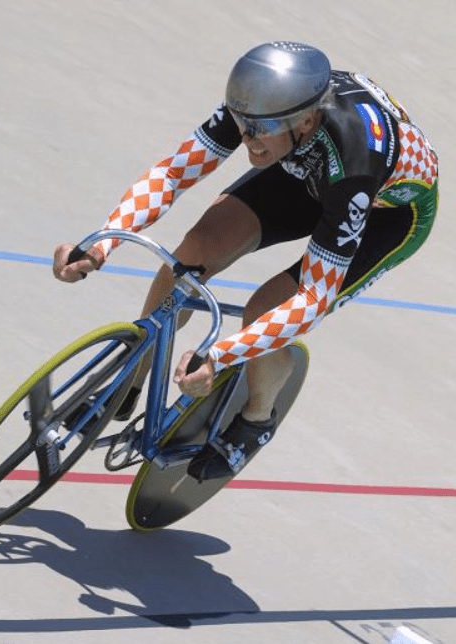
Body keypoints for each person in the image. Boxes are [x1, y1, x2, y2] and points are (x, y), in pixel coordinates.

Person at [53, 41, 438, 481]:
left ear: (306, 120)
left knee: (265, 308)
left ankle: (257, 419)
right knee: (195, 251)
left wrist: (218, 356)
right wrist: (101, 243)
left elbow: (312, 299)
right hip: (304, 165)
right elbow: (172, 173)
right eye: (241, 124)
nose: (247, 139)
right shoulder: (263, 106)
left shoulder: (354, 159)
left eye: (259, 129)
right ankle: (129, 382)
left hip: (383, 213)